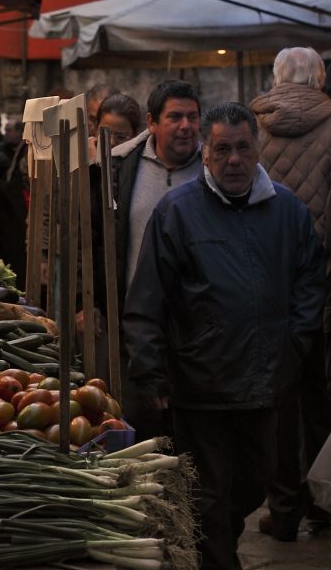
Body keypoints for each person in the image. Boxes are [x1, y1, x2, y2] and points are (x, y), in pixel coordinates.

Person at [124, 101, 326, 570]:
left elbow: (311, 279)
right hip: (201, 381)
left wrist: (294, 342)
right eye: (222, 150)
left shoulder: (287, 209)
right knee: (211, 492)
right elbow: (147, 297)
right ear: (206, 154)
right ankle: (218, 560)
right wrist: (149, 370)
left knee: (254, 485)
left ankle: (216, 547)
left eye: (242, 148)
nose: (233, 159)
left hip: (266, 381)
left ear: (257, 150)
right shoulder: (178, 211)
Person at [250, 47, 331, 539]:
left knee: (279, 399)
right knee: (321, 395)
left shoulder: (253, 131)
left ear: (275, 78)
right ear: (319, 78)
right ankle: (323, 501)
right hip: (323, 285)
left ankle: (282, 509)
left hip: (265, 287)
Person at [90, 79, 202, 425]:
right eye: (175, 117)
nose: (186, 126)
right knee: (138, 424)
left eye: (193, 117)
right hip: (135, 325)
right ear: (152, 123)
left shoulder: (211, 169)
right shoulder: (121, 167)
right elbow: (97, 237)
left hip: (198, 328)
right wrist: (90, 299)